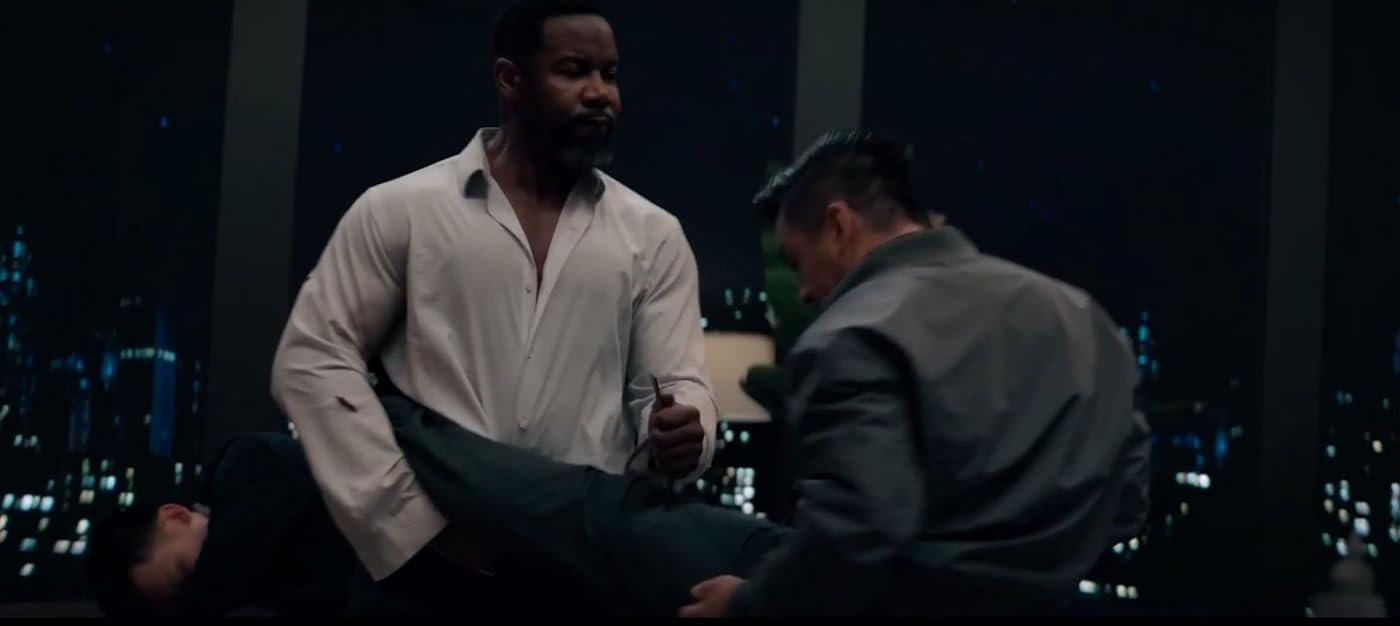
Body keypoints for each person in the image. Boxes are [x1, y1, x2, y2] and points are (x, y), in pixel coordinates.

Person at [373, 130, 1152, 618]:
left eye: (798, 261)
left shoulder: (857, 330)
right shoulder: (1080, 316)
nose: (804, 292)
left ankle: (394, 417)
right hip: (1033, 596)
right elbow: (1128, 499)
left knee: (594, 514)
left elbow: (860, 532)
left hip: (877, 596)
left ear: (839, 225)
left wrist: (752, 608)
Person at [269, 0, 716, 615]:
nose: (600, 93)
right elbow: (310, 359)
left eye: (609, 74)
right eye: (573, 70)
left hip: (579, 571)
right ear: (510, 78)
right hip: (424, 576)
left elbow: (675, 385)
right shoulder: (400, 210)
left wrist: (687, 430)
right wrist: (409, 525)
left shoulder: (654, 235)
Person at [85, 432, 360, 617]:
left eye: (183, 572)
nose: (195, 590)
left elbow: (229, 556)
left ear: (175, 516)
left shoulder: (246, 463)